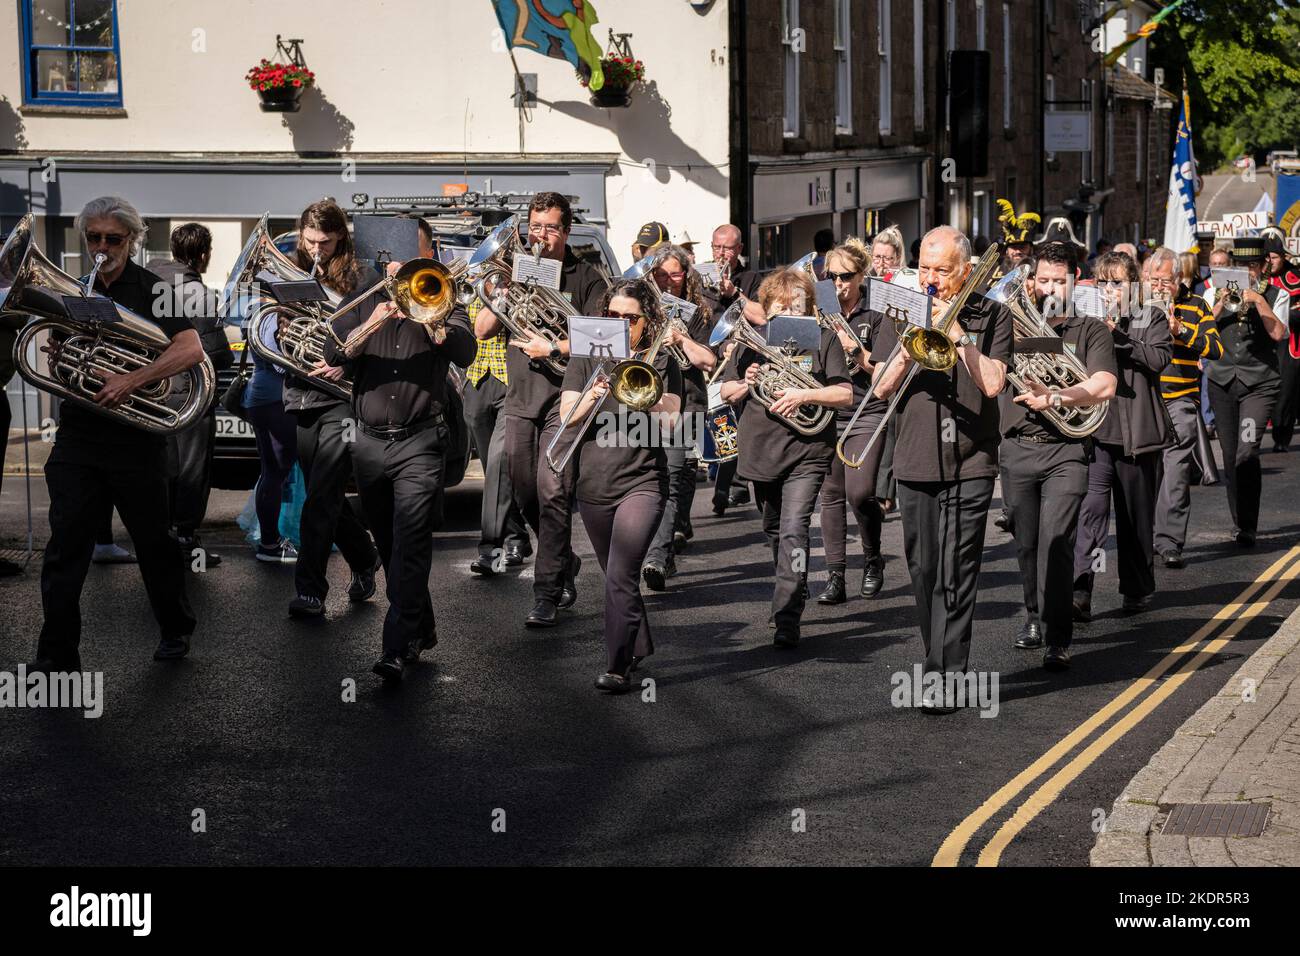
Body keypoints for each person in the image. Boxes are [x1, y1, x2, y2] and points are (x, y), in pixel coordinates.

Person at [30, 196, 202, 672]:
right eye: (94, 238)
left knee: (154, 545)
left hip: (135, 439)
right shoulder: (70, 290)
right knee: (65, 549)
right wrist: (63, 357)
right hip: (80, 437)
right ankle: (56, 655)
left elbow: (189, 350)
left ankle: (175, 629)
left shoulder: (154, 288)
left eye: (113, 238)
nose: (102, 248)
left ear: (132, 240)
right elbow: (60, 352)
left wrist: (130, 380)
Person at [869, 226, 1013, 712]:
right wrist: (910, 346)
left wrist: (960, 338)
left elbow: (993, 383)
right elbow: (880, 387)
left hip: (971, 461)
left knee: (958, 569)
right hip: (914, 459)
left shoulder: (993, 314)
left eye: (942, 271)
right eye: (925, 269)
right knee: (924, 570)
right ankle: (938, 657)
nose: (931, 279)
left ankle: (946, 676)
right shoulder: (903, 310)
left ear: (965, 272)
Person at [323, 260, 477, 682]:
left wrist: (433, 320)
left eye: (413, 267)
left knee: (410, 543)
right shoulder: (365, 302)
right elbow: (334, 352)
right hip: (370, 442)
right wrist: (371, 323)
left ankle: (394, 647)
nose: (405, 276)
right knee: (389, 545)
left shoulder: (445, 299)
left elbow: (466, 351)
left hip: (420, 443)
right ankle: (420, 627)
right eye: (397, 269)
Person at [475, 191, 607, 628]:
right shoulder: (515, 271)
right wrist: (505, 291)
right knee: (524, 490)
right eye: (535, 226)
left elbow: (601, 338)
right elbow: (481, 329)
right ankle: (564, 558)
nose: (542, 236)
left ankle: (546, 592)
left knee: (553, 492)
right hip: (520, 399)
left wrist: (552, 345)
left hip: (565, 400)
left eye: (550, 227)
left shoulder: (588, 277)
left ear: (566, 231)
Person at [557, 280, 683, 692]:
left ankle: (617, 665)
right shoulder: (585, 358)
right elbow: (565, 417)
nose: (621, 323)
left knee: (620, 576)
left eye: (630, 318)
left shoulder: (662, 361)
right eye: (612, 316)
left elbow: (672, 423)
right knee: (617, 576)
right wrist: (592, 395)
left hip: (643, 481)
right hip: (594, 483)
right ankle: (638, 642)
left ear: (646, 323)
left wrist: (648, 397)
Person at [718, 268, 852, 648]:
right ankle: (794, 582)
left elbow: (844, 395)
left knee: (794, 529)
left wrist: (804, 396)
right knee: (776, 531)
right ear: (767, 310)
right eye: (779, 310)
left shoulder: (824, 339)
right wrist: (747, 381)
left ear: (808, 308)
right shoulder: (752, 341)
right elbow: (726, 390)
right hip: (762, 449)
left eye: (797, 308)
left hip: (808, 451)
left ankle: (787, 615)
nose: (788, 316)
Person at [999, 242, 1117, 671]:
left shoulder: (1091, 330)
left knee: (1056, 541)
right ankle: (1033, 617)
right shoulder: (1009, 326)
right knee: (1026, 543)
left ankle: (1057, 636)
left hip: (1067, 451)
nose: (1049, 288)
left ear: (1074, 280)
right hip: (1016, 448)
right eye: (1042, 279)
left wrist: (1059, 396)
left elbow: (1104, 384)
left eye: (1057, 280)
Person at [282, 200, 381, 618]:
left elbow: (381, 332)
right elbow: (265, 322)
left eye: (324, 241)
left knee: (321, 494)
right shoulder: (289, 268)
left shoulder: (363, 276)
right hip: (302, 393)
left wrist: (348, 363)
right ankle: (364, 558)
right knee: (326, 495)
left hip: (343, 399)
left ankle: (310, 591)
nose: (316, 249)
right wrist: (280, 325)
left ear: (340, 236)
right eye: (309, 241)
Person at [1072, 251, 1173, 619]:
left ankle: (1135, 587)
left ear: (1133, 286)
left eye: (1117, 282)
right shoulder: (1086, 320)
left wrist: (1120, 337)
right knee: (1092, 514)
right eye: (1103, 282)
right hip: (1097, 431)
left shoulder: (1152, 317)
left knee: (1134, 518)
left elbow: (1160, 359)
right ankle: (1082, 588)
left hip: (1137, 433)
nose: (1110, 289)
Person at [148, 223, 231, 568]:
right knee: (192, 471)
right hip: (191, 397)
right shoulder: (200, 295)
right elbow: (216, 354)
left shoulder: (146, 283)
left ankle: (158, 540)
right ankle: (185, 542)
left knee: (159, 468)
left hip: (151, 395)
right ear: (202, 254)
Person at [639, 244, 716, 591]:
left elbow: (707, 362)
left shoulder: (699, 312)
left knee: (673, 479)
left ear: (687, 276)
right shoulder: (641, 308)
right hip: (649, 401)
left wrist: (681, 338)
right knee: (658, 482)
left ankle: (655, 557)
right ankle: (664, 549)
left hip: (688, 403)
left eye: (676, 273)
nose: (668, 281)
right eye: (661, 274)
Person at [1205, 236, 1289, 546]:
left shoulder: (1277, 294)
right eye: (1240, 265)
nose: (1246, 271)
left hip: (1258, 384)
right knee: (1229, 455)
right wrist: (1220, 301)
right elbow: (1203, 331)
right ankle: (1240, 520)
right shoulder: (1214, 290)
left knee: (1247, 449)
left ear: (1264, 265)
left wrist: (1259, 300)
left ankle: (1249, 525)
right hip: (1222, 380)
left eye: (1252, 265)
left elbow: (1279, 333)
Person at [816, 237, 886, 605]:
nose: (838, 284)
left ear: (863, 275)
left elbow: (885, 373)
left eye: (846, 276)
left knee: (860, 493)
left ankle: (873, 558)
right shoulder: (820, 309)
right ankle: (835, 576)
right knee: (830, 495)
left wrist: (856, 352)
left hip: (867, 411)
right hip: (830, 411)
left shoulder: (878, 313)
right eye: (831, 277)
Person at [1153, 247, 1223, 568]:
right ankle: (1145, 535)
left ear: (1179, 277)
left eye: (1164, 280)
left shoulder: (1197, 305)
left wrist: (1180, 330)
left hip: (1180, 399)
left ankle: (1169, 542)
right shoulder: (1138, 302)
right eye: (1152, 279)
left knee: (1176, 473)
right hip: (1146, 399)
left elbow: (1215, 348)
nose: (1158, 286)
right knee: (1145, 473)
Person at [702, 223, 766, 512]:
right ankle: (727, 487)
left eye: (727, 248)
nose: (721, 253)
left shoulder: (752, 279)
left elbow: (761, 316)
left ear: (739, 249)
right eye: (717, 247)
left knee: (732, 424)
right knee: (720, 424)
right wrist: (717, 348)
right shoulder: (701, 280)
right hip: (709, 361)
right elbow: (700, 323)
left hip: (742, 363)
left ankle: (729, 488)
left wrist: (734, 292)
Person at [242, 307, 300, 562]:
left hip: (264, 397)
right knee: (277, 471)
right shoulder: (269, 313)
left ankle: (271, 541)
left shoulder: (259, 310)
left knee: (274, 471)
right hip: (275, 400)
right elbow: (279, 364)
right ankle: (270, 542)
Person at [1264, 235, 1300, 452]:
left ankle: (1281, 437)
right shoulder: (1256, 277)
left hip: (1288, 343)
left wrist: (1284, 315)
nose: (1270, 261)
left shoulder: (1295, 278)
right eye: (1267, 257)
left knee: (1285, 391)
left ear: (1283, 257)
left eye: (1274, 257)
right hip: (1261, 342)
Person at [996, 199, 1040, 277]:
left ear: (1031, 249)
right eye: (1013, 247)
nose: (1017, 251)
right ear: (1007, 250)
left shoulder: (1040, 273)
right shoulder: (996, 273)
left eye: (1022, 247)